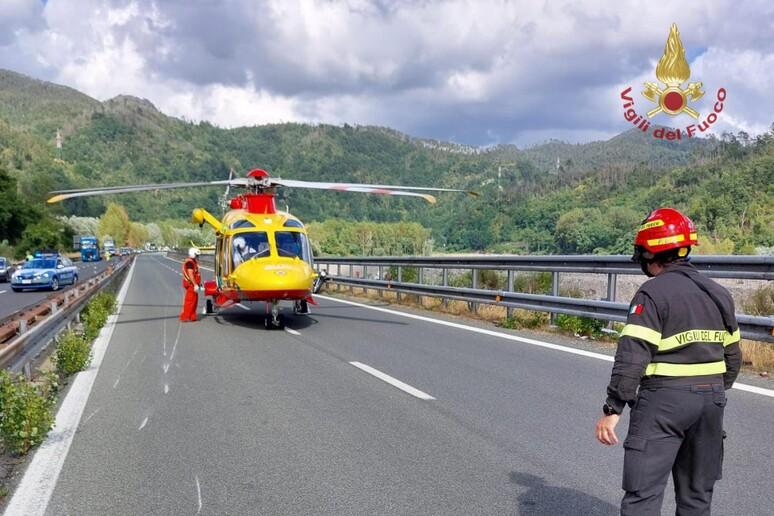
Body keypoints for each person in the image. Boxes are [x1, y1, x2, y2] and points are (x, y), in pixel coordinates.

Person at [595, 207, 742, 515]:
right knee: (697, 496)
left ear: (651, 252)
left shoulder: (651, 293)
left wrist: (613, 408)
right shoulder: (719, 294)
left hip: (663, 401)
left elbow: (633, 355)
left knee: (643, 495)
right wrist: (711, 389)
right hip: (711, 401)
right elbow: (732, 359)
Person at [180, 247, 202, 322]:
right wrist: (195, 284)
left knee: (194, 301)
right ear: (193, 254)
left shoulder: (193, 262)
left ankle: (192, 316)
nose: (197, 257)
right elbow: (191, 274)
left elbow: (196, 274)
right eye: (197, 255)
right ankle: (185, 316)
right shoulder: (190, 263)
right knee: (189, 301)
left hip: (193, 285)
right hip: (191, 285)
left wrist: (198, 284)